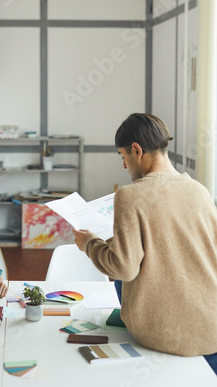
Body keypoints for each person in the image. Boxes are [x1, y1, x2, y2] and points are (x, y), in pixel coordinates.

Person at [73, 113, 217, 373]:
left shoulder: (130, 195)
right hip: (212, 329)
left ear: (136, 150)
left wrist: (89, 243)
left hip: (166, 335)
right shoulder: (200, 191)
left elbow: (123, 268)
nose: (125, 166)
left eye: (123, 156)